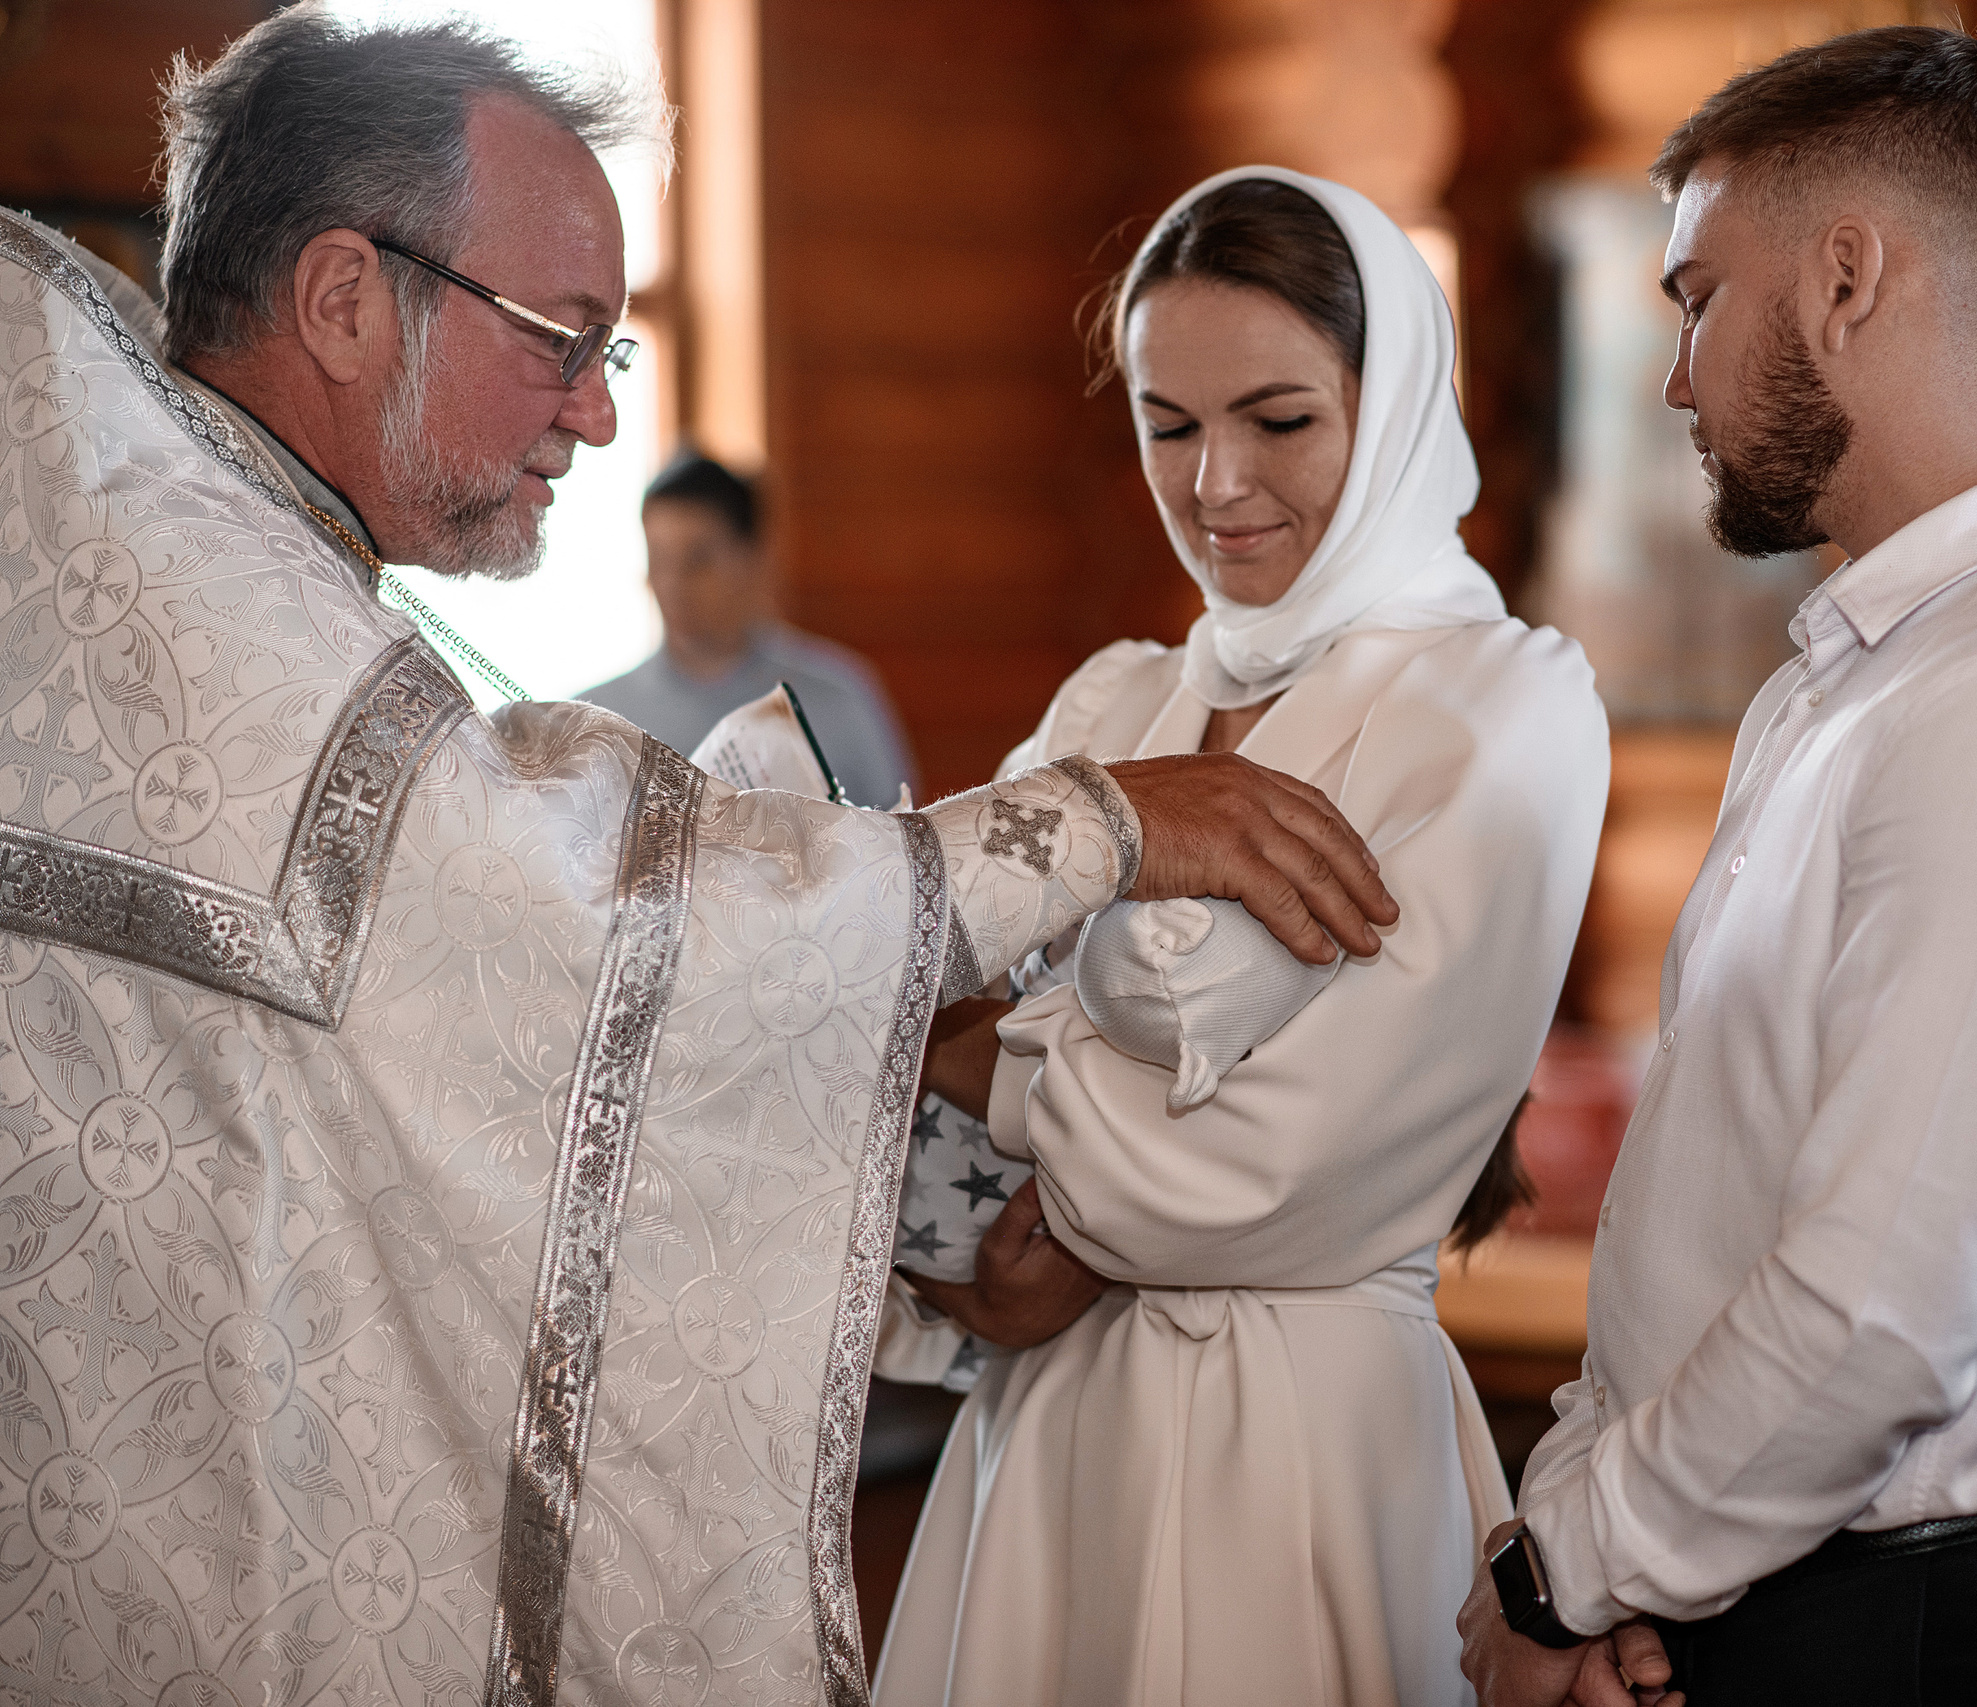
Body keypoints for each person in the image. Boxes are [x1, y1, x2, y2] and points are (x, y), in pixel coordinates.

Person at [0, 11, 1393, 1704]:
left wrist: (951, 1225)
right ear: (347, 299)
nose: (595, 410)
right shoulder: (204, 609)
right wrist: (1101, 824)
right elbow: (589, 932)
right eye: (559, 335)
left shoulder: (157, 538)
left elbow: (460, 1107)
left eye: (615, 347)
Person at [1458, 28, 1977, 1707]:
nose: (1675, 376)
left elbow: (1882, 1306)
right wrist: (1606, 1565)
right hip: (1791, 1596)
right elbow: (1718, 1209)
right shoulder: (1863, 674)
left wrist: (1561, 1572)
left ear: (1847, 275)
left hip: (1945, 1638)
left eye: (1694, 295)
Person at [869, 169, 1611, 1705]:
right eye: (1167, 421)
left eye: (1279, 421)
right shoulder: (1110, 703)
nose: (1215, 483)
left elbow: (1284, 1168)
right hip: (1044, 1441)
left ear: (1392, 405)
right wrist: (1018, 1066)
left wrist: (1015, 1053)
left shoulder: (1503, 703)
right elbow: (881, 1029)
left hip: (1302, 1439)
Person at [582, 452, 916, 806]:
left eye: (698, 560)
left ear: (752, 556)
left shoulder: (838, 698)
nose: (673, 584)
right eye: (659, 560)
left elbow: (897, 843)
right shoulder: (602, 721)